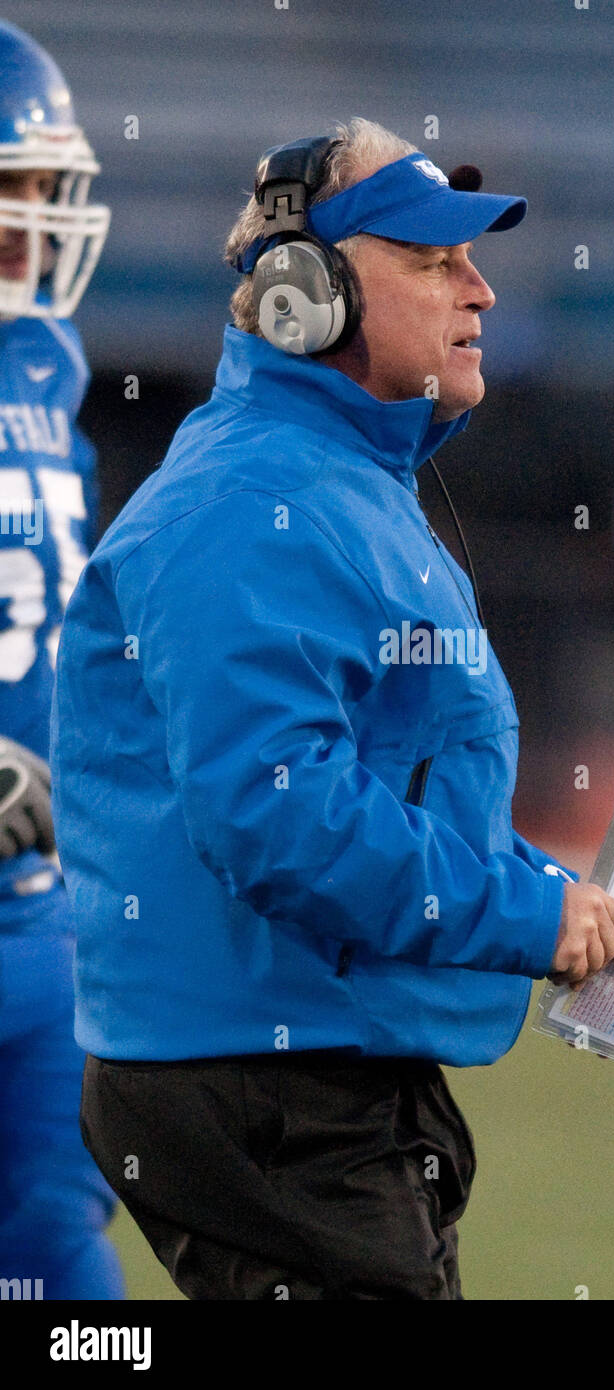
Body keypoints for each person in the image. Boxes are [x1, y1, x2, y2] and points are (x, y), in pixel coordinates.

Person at [50, 117, 614, 1301]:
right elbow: (278, 818)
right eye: (429, 261)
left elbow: (387, 778)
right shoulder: (251, 500)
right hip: (263, 1075)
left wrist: (545, 889)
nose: (475, 289)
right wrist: (520, 915)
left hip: (316, 1062)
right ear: (299, 298)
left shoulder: (335, 485)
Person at [0, 21, 122, 1299]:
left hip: (38, 907)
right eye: (12, 189)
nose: (37, 221)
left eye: (48, 190)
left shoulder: (44, 354)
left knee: (54, 1260)